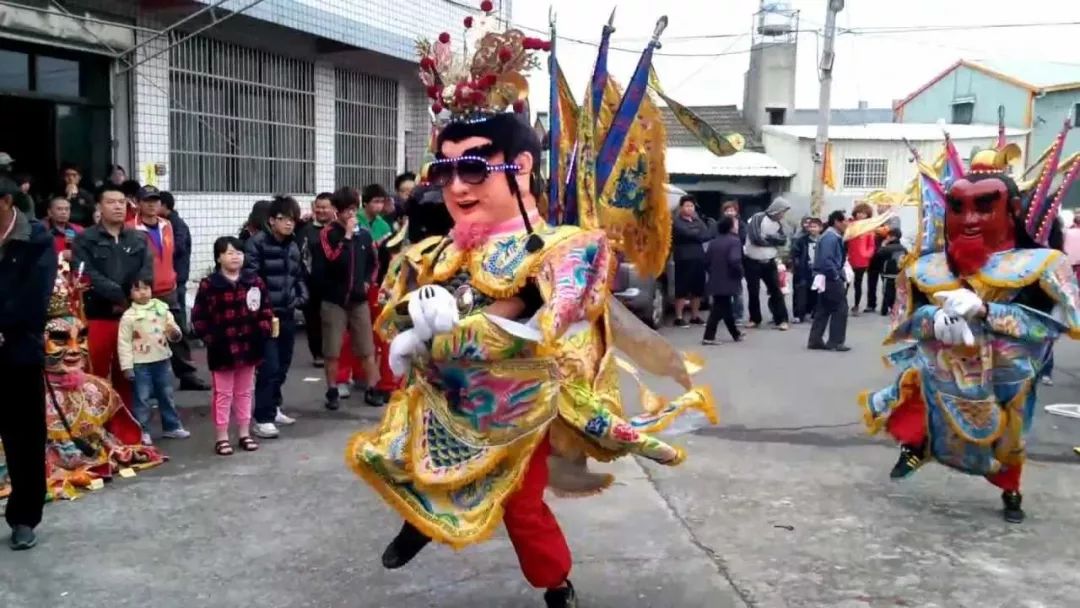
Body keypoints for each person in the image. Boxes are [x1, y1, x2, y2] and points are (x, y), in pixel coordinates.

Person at [348, 15, 716, 606]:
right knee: (398, 453)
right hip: (444, 395)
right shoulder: (432, 248)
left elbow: (558, 320)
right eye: (444, 171)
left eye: (474, 169)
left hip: (520, 402)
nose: (457, 187)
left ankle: (556, 585)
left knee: (520, 502)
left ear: (519, 169)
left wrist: (482, 319)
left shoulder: (566, 246)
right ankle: (424, 517)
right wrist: (413, 326)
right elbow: (394, 315)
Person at [860, 140, 1080, 523]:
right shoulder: (927, 267)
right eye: (958, 207)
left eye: (984, 205)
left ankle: (1011, 491)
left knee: (1008, 438)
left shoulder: (1043, 263)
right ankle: (918, 446)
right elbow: (901, 321)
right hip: (942, 367)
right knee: (915, 393)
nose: (970, 219)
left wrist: (987, 311)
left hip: (1005, 374)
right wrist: (933, 317)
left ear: (1011, 209)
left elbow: (1059, 323)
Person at [0, 175, 57, 550]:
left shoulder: (35, 239)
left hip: (17, 351)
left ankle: (24, 518)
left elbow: (34, 299)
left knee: (24, 438)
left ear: (6, 202)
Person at [72, 185, 153, 409]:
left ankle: (128, 426)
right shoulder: (85, 239)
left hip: (133, 315)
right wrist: (119, 296)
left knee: (128, 373)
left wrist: (132, 298)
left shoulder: (137, 238)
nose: (118, 206)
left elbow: (146, 271)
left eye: (121, 202)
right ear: (99, 206)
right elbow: (87, 274)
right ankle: (95, 424)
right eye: (111, 202)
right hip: (98, 315)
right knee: (93, 372)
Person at [192, 236, 274, 456]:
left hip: (249, 345)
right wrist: (211, 338)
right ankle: (222, 437)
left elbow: (266, 310)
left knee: (245, 392)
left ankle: (245, 433)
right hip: (222, 349)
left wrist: (262, 331)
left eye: (238, 252)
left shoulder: (254, 281)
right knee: (223, 393)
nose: (235, 256)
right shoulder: (209, 284)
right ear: (219, 257)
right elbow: (199, 317)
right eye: (229, 253)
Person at [128, 186, 208, 391]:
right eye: (147, 201)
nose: (152, 204)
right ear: (138, 203)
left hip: (169, 288)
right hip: (145, 292)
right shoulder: (130, 228)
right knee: (146, 337)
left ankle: (187, 375)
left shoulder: (167, 225)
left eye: (155, 200)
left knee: (177, 333)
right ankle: (149, 383)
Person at [244, 196, 308, 438]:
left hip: (288, 313)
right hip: (265, 317)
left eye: (292, 219)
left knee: (283, 363)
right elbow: (251, 279)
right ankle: (262, 418)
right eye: (283, 219)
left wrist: (300, 297)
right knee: (269, 366)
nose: (289, 224)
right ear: (271, 220)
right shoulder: (256, 244)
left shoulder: (292, 246)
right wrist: (263, 308)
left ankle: (274, 406)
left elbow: (300, 275)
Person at [314, 187, 378, 411]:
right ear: (336, 211)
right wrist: (348, 237)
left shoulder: (364, 234)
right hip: (334, 300)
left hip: (359, 300)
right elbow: (333, 260)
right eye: (346, 210)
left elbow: (373, 261)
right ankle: (332, 389)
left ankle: (372, 388)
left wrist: (368, 281)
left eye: (353, 209)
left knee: (366, 348)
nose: (351, 214)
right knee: (332, 350)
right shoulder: (328, 234)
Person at [118, 278, 190, 445]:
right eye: (137, 289)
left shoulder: (161, 308)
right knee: (142, 399)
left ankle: (172, 426)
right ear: (129, 294)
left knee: (166, 394)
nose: (143, 292)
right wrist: (127, 367)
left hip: (162, 359)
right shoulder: (129, 317)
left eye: (146, 288)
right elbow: (123, 343)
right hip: (139, 363)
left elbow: (173, 330)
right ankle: (142, 430)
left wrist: (174, 333)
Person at [297, 192, 335, 367]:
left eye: (325, 207)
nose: (321, 210)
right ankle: (318, 354)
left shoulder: (338, 229)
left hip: (334, 285)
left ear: (333, 208)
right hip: (310, 284)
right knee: (313, 322)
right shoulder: (305, 230)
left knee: (333, 322)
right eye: (318, 207)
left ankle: (333, 354)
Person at [744, 197, 791, 330]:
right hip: (752, 261)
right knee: (753, 291)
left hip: (769, 262)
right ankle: (754, 318)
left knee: (776, 290)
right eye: (782, 211)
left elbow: (783, 240)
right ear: (776, 210)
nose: (782, 215)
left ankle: (782, 320)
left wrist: (769, 238)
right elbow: (755, 238)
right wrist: (772, 241)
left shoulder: (780, 224)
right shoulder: (758, 218)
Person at [807, 210, 850, 352]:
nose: (847, 223)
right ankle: (836, 341)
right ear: (837, 222)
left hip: (825, 276)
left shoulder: (831, 236)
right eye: (845, 220)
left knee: (824, 308)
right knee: (840, 308)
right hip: (830, 277)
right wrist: (836, 275)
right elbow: (827, 260)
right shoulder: (830, 237)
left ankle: (815, 339)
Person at [702, 215, 745, 345]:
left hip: (716, 279)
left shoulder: (714, 242)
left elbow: (706, 262)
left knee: (725, 308)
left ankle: (735, 334)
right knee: (718, 309)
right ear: (731, 227)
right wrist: (740, 273)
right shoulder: (735, 241)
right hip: (729, 279)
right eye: (736, 224)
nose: (737, 226)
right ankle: (708, 337)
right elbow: (734, 260)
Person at [671, 195, 711, 327]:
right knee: (682, 289)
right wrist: (696, 233)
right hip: (683, 258)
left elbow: (706, 235)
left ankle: (695, 316)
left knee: (698, 289)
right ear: (681, 207)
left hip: (699, 257)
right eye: (687, 206)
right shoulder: (676, 221)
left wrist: (696, 233)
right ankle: (679, 317)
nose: (690, 208)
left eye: (692, 206)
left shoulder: (697, 220)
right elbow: (686, 233)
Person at [158, 191, 192, 331]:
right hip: (173, 273)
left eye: (157, 203)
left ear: (165, 206)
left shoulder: (176, 224)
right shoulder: (168, 223)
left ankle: (183, 333)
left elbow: (179, 247)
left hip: (177, 273)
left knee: (178, 306)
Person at [789, 216, 822, 323]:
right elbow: (795, 254)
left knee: (816, 293)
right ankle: (799, 315)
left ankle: (814, 312)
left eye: (815, 227)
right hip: (804, 270)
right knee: (801, 293)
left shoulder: (823, 240)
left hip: (818, 270)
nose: (812, 229)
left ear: (820, 228)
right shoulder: (801, 240)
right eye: (811, 226)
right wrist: (798, 265)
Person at [847, 202, 876, 315]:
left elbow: (872, 245)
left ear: (867, 215)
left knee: (858, 284)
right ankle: (841, 304)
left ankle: (856, 305)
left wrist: (866, 254)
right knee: (846, 282)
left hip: (862, 261)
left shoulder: (869, 228)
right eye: (859, 213)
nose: (861, 215)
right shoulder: (850, 224)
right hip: (849, 259)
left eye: (864, 213)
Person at [720, 200, 748, 323]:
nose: (730, 213)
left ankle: (738, 314)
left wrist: (735, 232)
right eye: (727, 210)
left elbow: (743, 238)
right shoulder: (720, 224)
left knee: (737, 290)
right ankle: (725, 314)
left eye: (732, 210)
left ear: (736, 212)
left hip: (737, 259)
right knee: (723, 289)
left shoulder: (741, 225)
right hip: (722, 260)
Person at [870, 228, 906, 316]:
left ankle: (884, 310)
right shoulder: (903, 248)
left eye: (888, 236)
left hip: (888, 274)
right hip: (899, 273)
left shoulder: (886, 248)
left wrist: (882, 245)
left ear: (893, 237)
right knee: (896, 292)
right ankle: (895, 308)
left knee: (887, 292)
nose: (887, 238)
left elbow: (877, 256)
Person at [56, 163, 95, 228]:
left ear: (79, 177)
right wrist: (68, 197)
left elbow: (92, 212)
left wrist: (78, 198)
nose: (71, 178)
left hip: (82, 226)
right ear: (63, 177)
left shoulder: (86, 194)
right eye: (67, 175)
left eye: (74, 175)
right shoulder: (58, 193)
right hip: (63, 226)